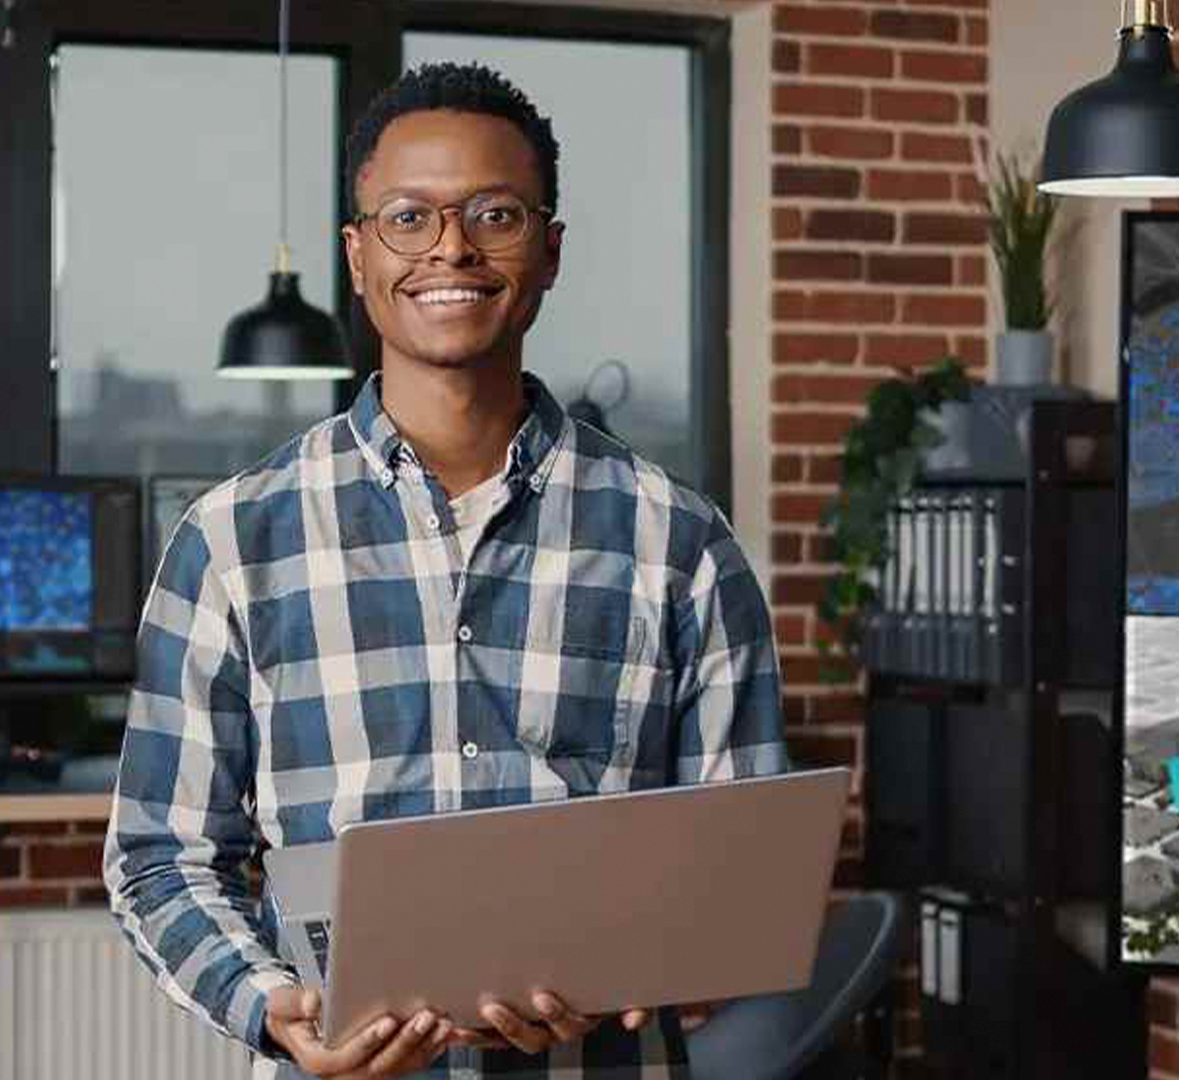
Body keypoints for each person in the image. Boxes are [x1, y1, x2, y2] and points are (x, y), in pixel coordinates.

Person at [104, 61, 787, 1080]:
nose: (452, 249)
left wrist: (636, 976)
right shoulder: (233, 539)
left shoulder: (679, 543)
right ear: (358, 254)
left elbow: (742, 874)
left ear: (549, 250)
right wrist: (271, 1005)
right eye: (409, 219)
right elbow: (161, 857)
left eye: (495, 214)